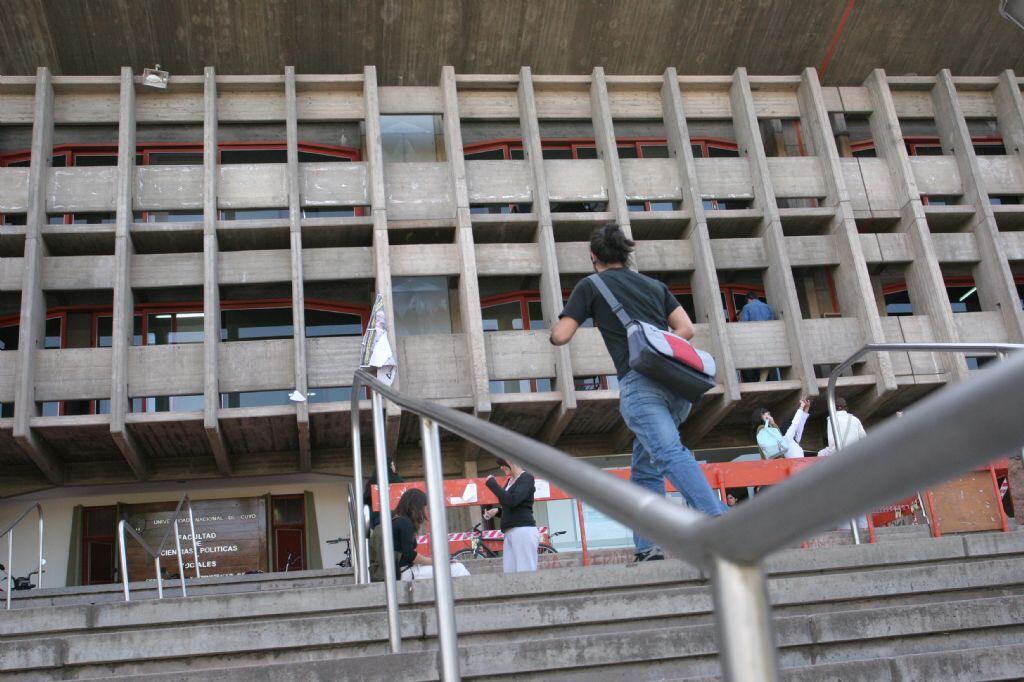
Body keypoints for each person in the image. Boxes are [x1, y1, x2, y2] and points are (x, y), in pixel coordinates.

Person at [550, 222, 726, 562]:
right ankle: (647, 546)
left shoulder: (591, 285)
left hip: (640, 385)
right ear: (626, 254)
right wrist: (655, 344)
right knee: (646, 469)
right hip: (677, 388)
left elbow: (562, 336)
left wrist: (558, 327)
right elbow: (685, 329)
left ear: (593, 256)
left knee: (668, 453)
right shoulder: (654, 286)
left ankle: (717, 519)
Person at [368, 488, 469, 582]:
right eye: (423, 507)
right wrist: (437, 561)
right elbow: (410, 556)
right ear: (416, 507)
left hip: (394, 572)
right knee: (458, 568)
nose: (424, 512)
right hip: (404, 573)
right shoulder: (404, 523)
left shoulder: (393, 520)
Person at [484, 457, 539, 573]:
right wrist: (498, 512)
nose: (501, 467)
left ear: (511, 462)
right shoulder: (509, 481)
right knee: (510, 575)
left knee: (525, 573)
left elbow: (513, 500)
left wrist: (492, 484)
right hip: (509, 532)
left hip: (523, 530)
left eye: (502, 464)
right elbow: (510, 504)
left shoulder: (526, 478)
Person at [364, 459, 404, 529]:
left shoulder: (372, 480)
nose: (394, 467)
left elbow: (365, 499)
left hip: (373, 519)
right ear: (390, 466)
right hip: (390, 518)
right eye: (393, 465)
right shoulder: (395, 479)